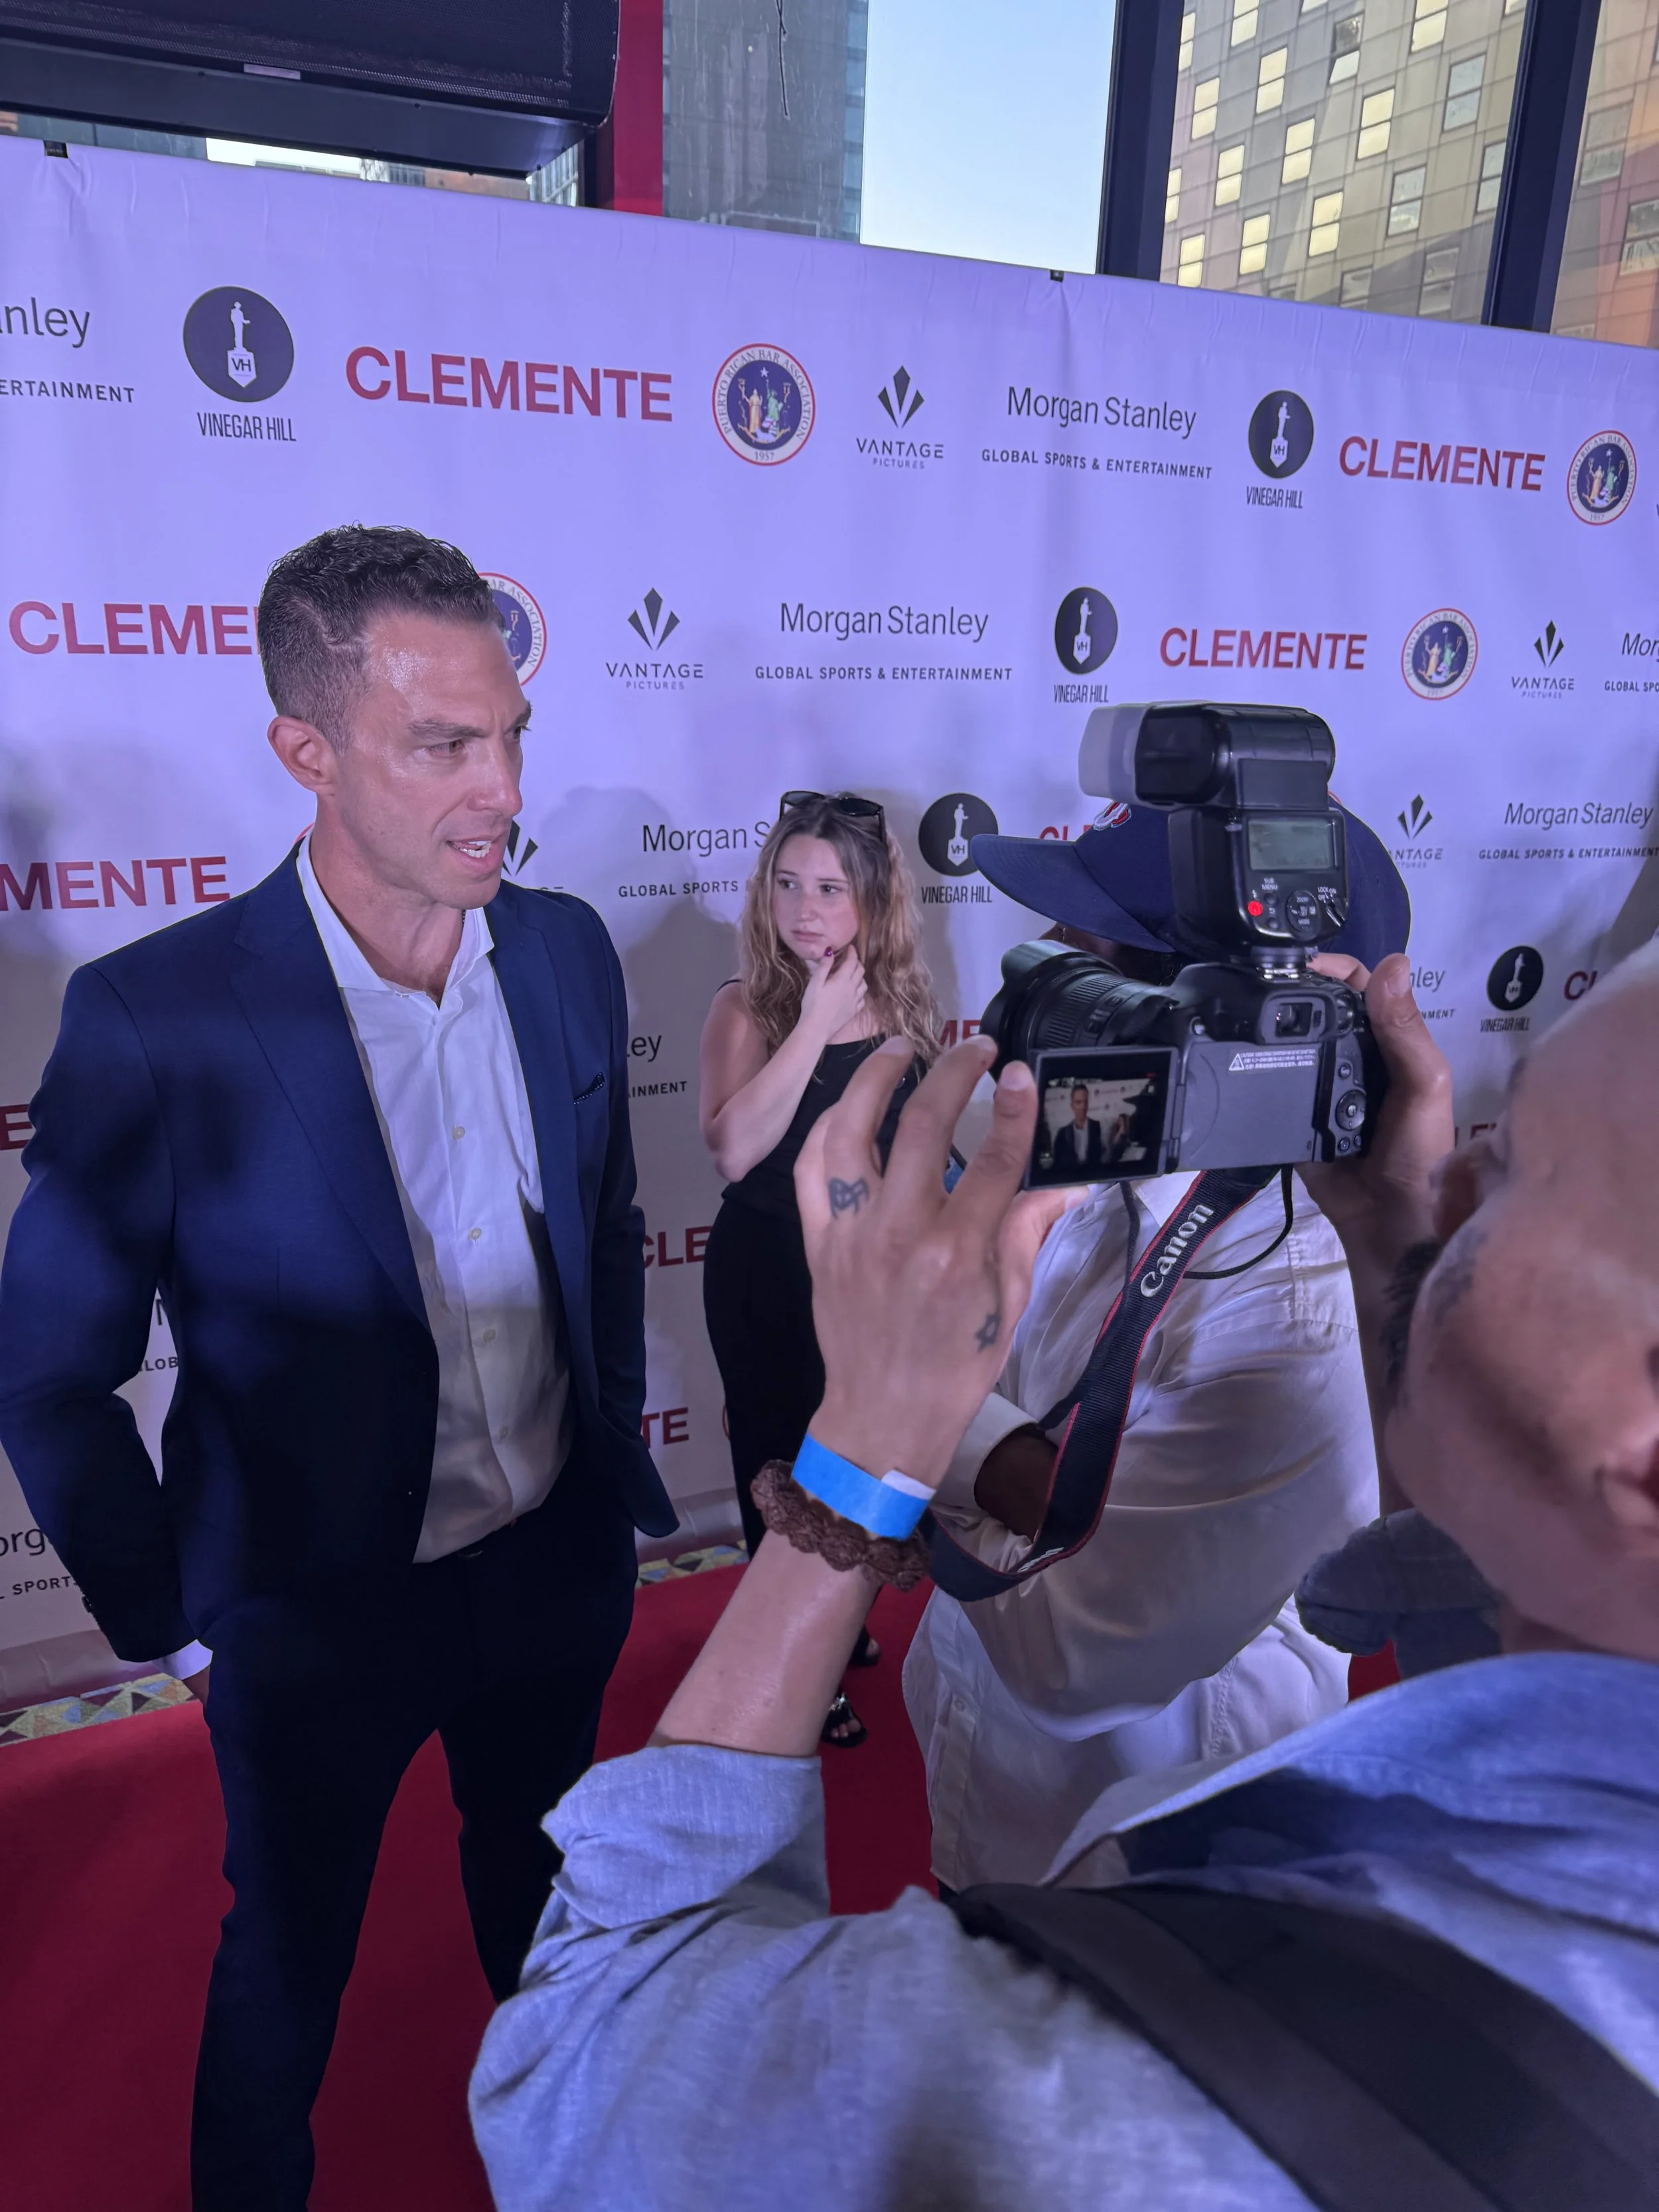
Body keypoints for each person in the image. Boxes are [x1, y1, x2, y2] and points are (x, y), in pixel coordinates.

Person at [469, 940, 1659, 2211]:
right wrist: (1397, 1244)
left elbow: (594, 2059)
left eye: (1518, 1169)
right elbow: (1470, 1604)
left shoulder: (1180, 2072)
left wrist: (878, 1444)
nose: (1457, 1173)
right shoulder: (1573, 1620)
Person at [0, 525, 676, 2211]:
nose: (498, 788)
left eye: (510, 733)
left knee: (555, 1926)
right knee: (281, 1976)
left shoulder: (572, 953)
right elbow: (47, 1377)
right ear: (305, 749)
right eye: (442, 744)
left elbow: (604, 1222)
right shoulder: (160, 1017)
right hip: (310, 1621)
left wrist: (606, 1484)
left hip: (550, 1573)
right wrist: (182, 1617)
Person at [903, 808, 1391, 1889]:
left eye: (1085, 954)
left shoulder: (1304, 1288)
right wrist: (1014, 1479)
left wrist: (921, 1414)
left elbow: (1073, 1656)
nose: (1041, 977)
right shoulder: (1090, 1153)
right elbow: (1042, 1499)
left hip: (1158, 1878)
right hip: (994, 1806)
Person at [699, 790, 940, 1745]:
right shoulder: (743, 1005)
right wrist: (812, 1022)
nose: (804, 909)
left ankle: (835, 1626)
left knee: (854, 1469)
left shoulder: (909, 1005)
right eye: (788, 884)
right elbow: (731, 1150)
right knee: (777, 1469)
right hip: (764, 1270)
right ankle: (791, 1670)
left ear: (873, 904)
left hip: (865, 1280)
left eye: (830, 889)